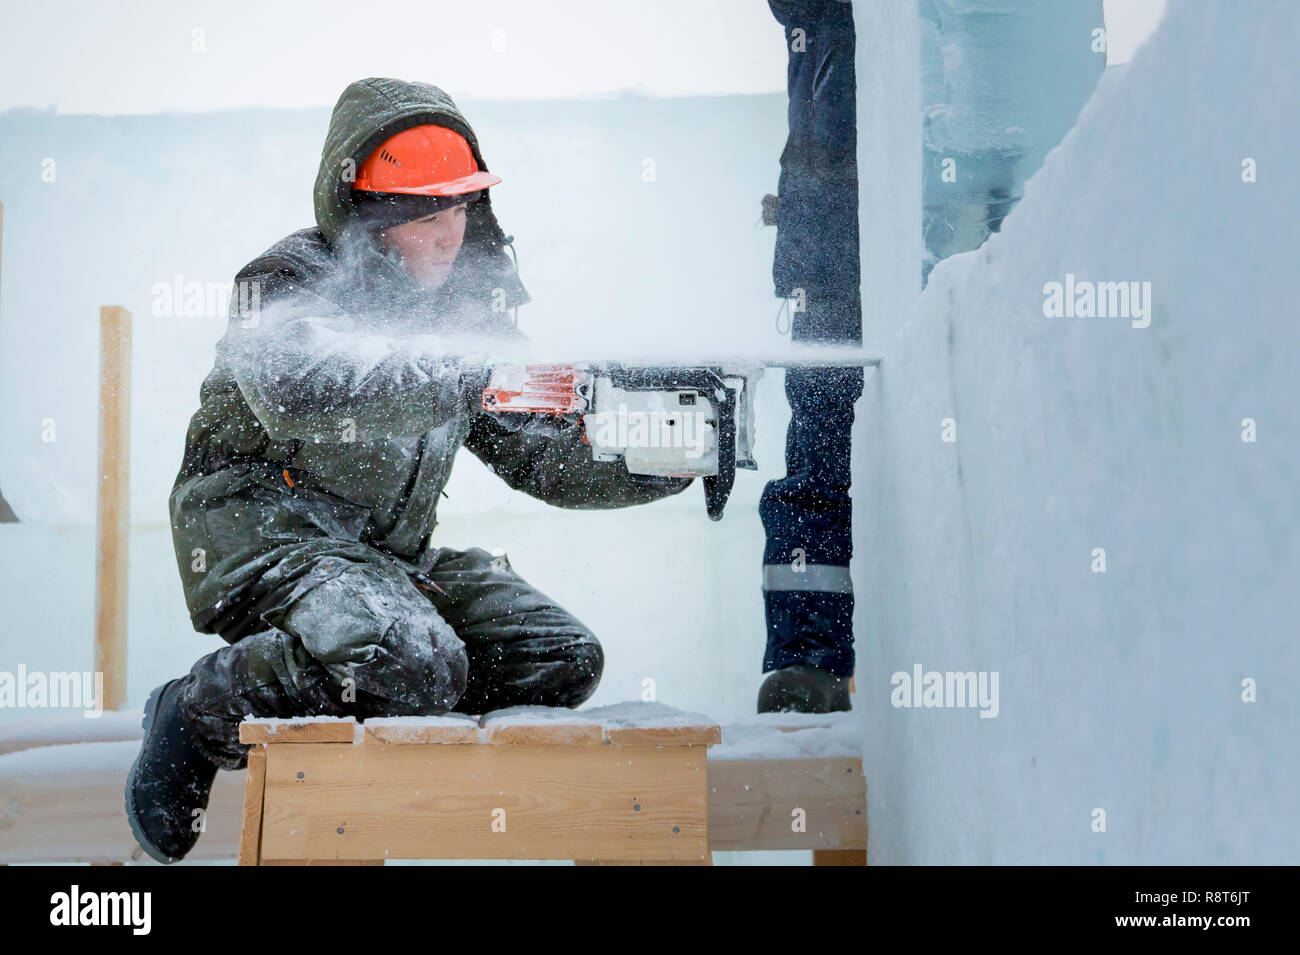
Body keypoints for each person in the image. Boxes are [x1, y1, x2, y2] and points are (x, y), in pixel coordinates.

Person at [125, 77, 693, 864]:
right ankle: (197, 709)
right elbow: (299, 395)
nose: (447, 236)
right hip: (266, 539)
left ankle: (387, 664)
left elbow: (533, 453)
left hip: (383, 560)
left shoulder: (463, 320)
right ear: (370, 220)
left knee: (559, 656)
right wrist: (460, 377)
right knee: (413, 663)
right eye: (425, 217)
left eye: (459, 210)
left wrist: (660, 454)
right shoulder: (283, 285)